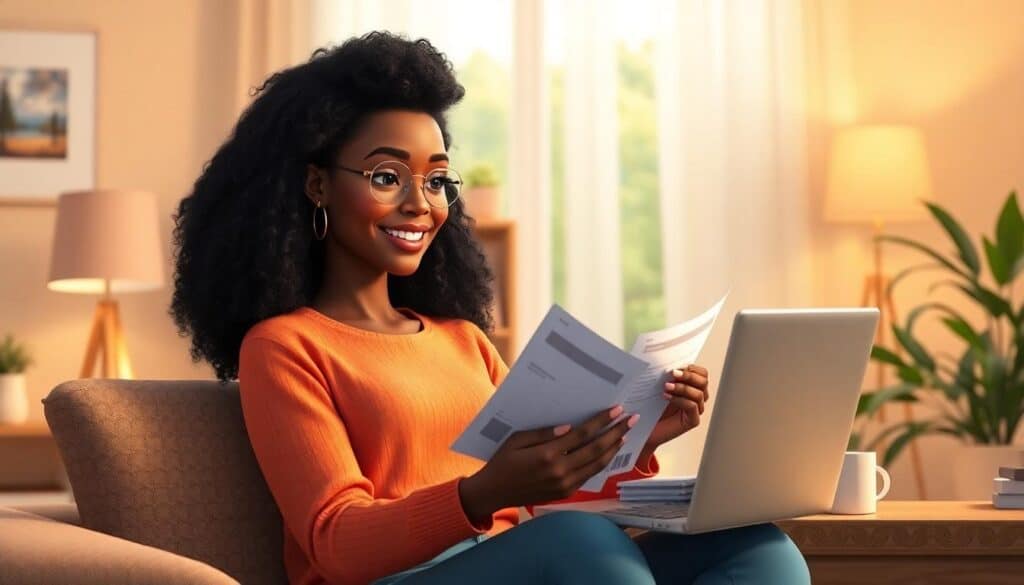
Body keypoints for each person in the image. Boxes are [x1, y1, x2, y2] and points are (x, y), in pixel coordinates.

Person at [169, 31, 810, 585]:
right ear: (317, 184)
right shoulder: (285, 347)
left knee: (754, 547)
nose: (421, 203)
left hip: (527, 561)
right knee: (581, 548)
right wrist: (482, 493)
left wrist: (634, 435)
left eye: (437, 178)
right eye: (387, 176)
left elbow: (542, 501)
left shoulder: (462, 339)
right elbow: (338, 543)